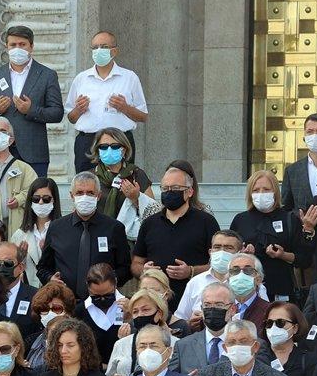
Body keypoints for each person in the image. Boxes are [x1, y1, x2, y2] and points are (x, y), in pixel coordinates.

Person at [0, 25, 64, 177]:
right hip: (1, 150)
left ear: (31, 46)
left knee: (35, 197)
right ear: (7, 47)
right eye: (13, 45)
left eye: (22, 45)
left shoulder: (47, 75)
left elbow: (57, 113)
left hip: (34, 154)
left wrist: (31, 110)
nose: (17, 49)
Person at [133, 164, 222, 309]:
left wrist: (191, 271)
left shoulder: (206, 222)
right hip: (155, 305)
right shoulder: (149, 223)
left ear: (189, 192)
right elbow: (136, 263)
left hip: (195, 302)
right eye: (165, 189)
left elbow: (219, 265)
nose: (169, 192)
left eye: (175, 189)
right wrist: (144, 270)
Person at [36, 171, 131, 300]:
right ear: (72, 195)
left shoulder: (114, 228)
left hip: (102, 302)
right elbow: (43, 267)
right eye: (80, 193)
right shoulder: (56, 228)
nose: (85, 197)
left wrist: (109, 281)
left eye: (90, 193)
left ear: (98, 196)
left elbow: (125, 268)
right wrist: (50, 278)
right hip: (65, 302)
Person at [64, 31, 149, 172]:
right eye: (95, 47)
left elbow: (143, 116)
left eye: (103, 47)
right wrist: (78, 110)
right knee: (86, 184)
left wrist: (125, 108)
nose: (99, 51)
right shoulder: (81, 78)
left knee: (121, 185)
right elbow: (71, 118)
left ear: (114, 51)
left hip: (119, 142)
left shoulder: (129, 77)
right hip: (88, 142)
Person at [231, 170, 309, 304]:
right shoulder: (241, 220)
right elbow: (230, 255)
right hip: (247, 291)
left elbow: (304, 259)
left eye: (266, 189)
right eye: (256, 190)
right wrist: (244, 255)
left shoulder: (289, 219)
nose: (261, 193)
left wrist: (283, 255)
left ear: (275, 191)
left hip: (281, 289)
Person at [173, 230, 263, 330]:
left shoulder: (250, 283)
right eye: (217, 247)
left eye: (229, 248)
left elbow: (263, 313)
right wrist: (189, 324)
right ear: (210, 251)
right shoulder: (195, 282)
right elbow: (180, 319)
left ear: (239, 252)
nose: (222, 252)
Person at [85, 128, 158, 244]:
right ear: (97, 150)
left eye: (114, 146)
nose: (109, 149)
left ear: (123, 150)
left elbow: (154, 212)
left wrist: (136, 198)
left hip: (130, 239)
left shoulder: (136, 174)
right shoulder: (90, 177)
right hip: (96, 237)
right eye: (103, 147)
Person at [171, 282, 235, 374]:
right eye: (207, 305)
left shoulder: (248, 344)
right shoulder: (183, 346)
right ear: (201, 308)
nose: (212, 309)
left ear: (232, 309)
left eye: (219, 305)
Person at [106, 288, 169, 376]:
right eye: (135, 311)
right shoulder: (121, 344)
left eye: (145, 309)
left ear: (159, 313)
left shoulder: (175, 344)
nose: (140, 315)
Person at [10, 177, 60, 289]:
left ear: (54, 200)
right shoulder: (19, 235)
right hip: (28, 291)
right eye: (36, 199)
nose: (41, 202)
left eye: (46, 199)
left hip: (54, 289)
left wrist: (48, 253)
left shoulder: (63, 230)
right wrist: (20, 257)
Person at [281, 112, 317, 212]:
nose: (314, 135)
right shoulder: (292, 171)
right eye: (310, 131)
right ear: (305, 136)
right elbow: (287, 208)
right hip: (301, 227)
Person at [79, 263, 125, 366]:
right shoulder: (80, 311)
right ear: (88, 287)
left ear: (115, 283)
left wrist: (130, 315)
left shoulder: (130, 306)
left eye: (108, 295)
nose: (103, 299)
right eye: (96, 296)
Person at [26, 283, 77, 369]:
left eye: (56, 308)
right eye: (44, 309)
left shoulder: (80, 339)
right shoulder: (30, 341)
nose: (50, 313)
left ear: (68, 311)